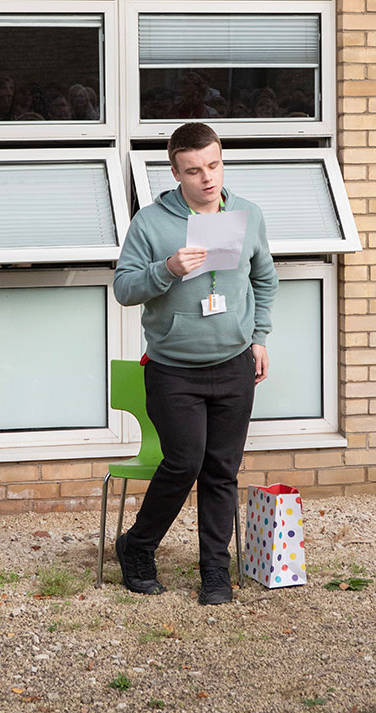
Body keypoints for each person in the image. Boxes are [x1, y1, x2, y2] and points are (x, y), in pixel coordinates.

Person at [113, 123, 278, 605]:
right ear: (175, 172)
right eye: (193, 170)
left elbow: (264, 280)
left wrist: (260, 336)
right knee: (184, 462)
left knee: (221, 470)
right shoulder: (151, 222)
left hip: (233, 363)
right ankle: (137, 548)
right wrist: (166, 270)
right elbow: (124, 289)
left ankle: (215, 573)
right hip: (173, 369)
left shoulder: (248, 214)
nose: (207, 178)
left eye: (214, 165)